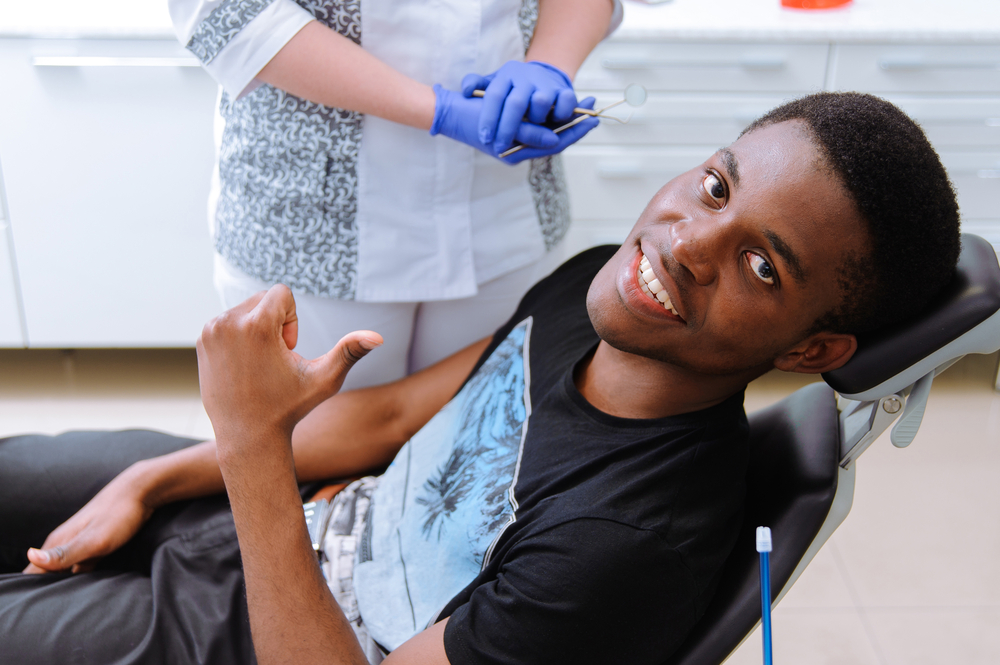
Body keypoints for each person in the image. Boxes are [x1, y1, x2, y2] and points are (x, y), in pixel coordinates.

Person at [0, 92, 960, 665]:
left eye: (761, 266)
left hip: (259, 632)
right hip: (288, 521)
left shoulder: (624, 545)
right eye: (716, 186)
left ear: (811, 349)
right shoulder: (597, 292)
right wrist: (151, 479)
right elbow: (393, 417)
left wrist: (254, 441)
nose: (684, 244)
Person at [168, 0, 620, 392]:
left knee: (484, 438)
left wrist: (550, 64)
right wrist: (438, 111)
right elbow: (226, 10)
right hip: (312, 225)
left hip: (505, 211)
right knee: (312, 445)